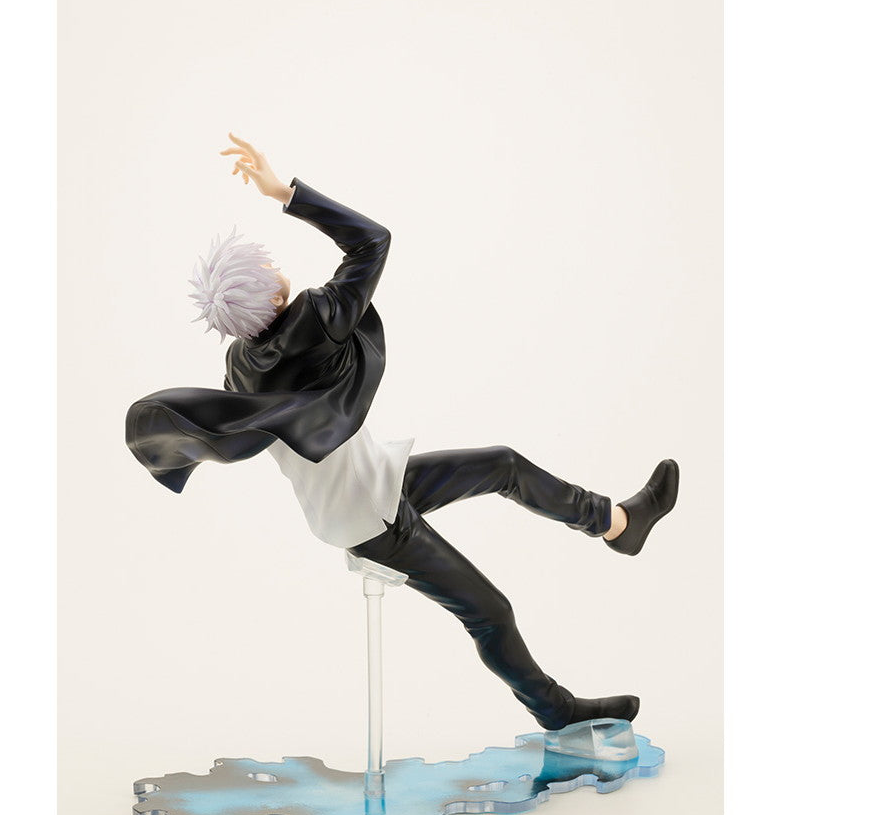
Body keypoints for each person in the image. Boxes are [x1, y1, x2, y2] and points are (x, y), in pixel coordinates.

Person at [126, 134, 679, 732]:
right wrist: (283, 192)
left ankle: (616, 524)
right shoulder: (317, 319)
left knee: (502, 464)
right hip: (372, 517)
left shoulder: (240, 363)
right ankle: (557, 712)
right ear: (273, 290)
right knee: (490, 612)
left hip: (365, 489)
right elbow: (372, 240)